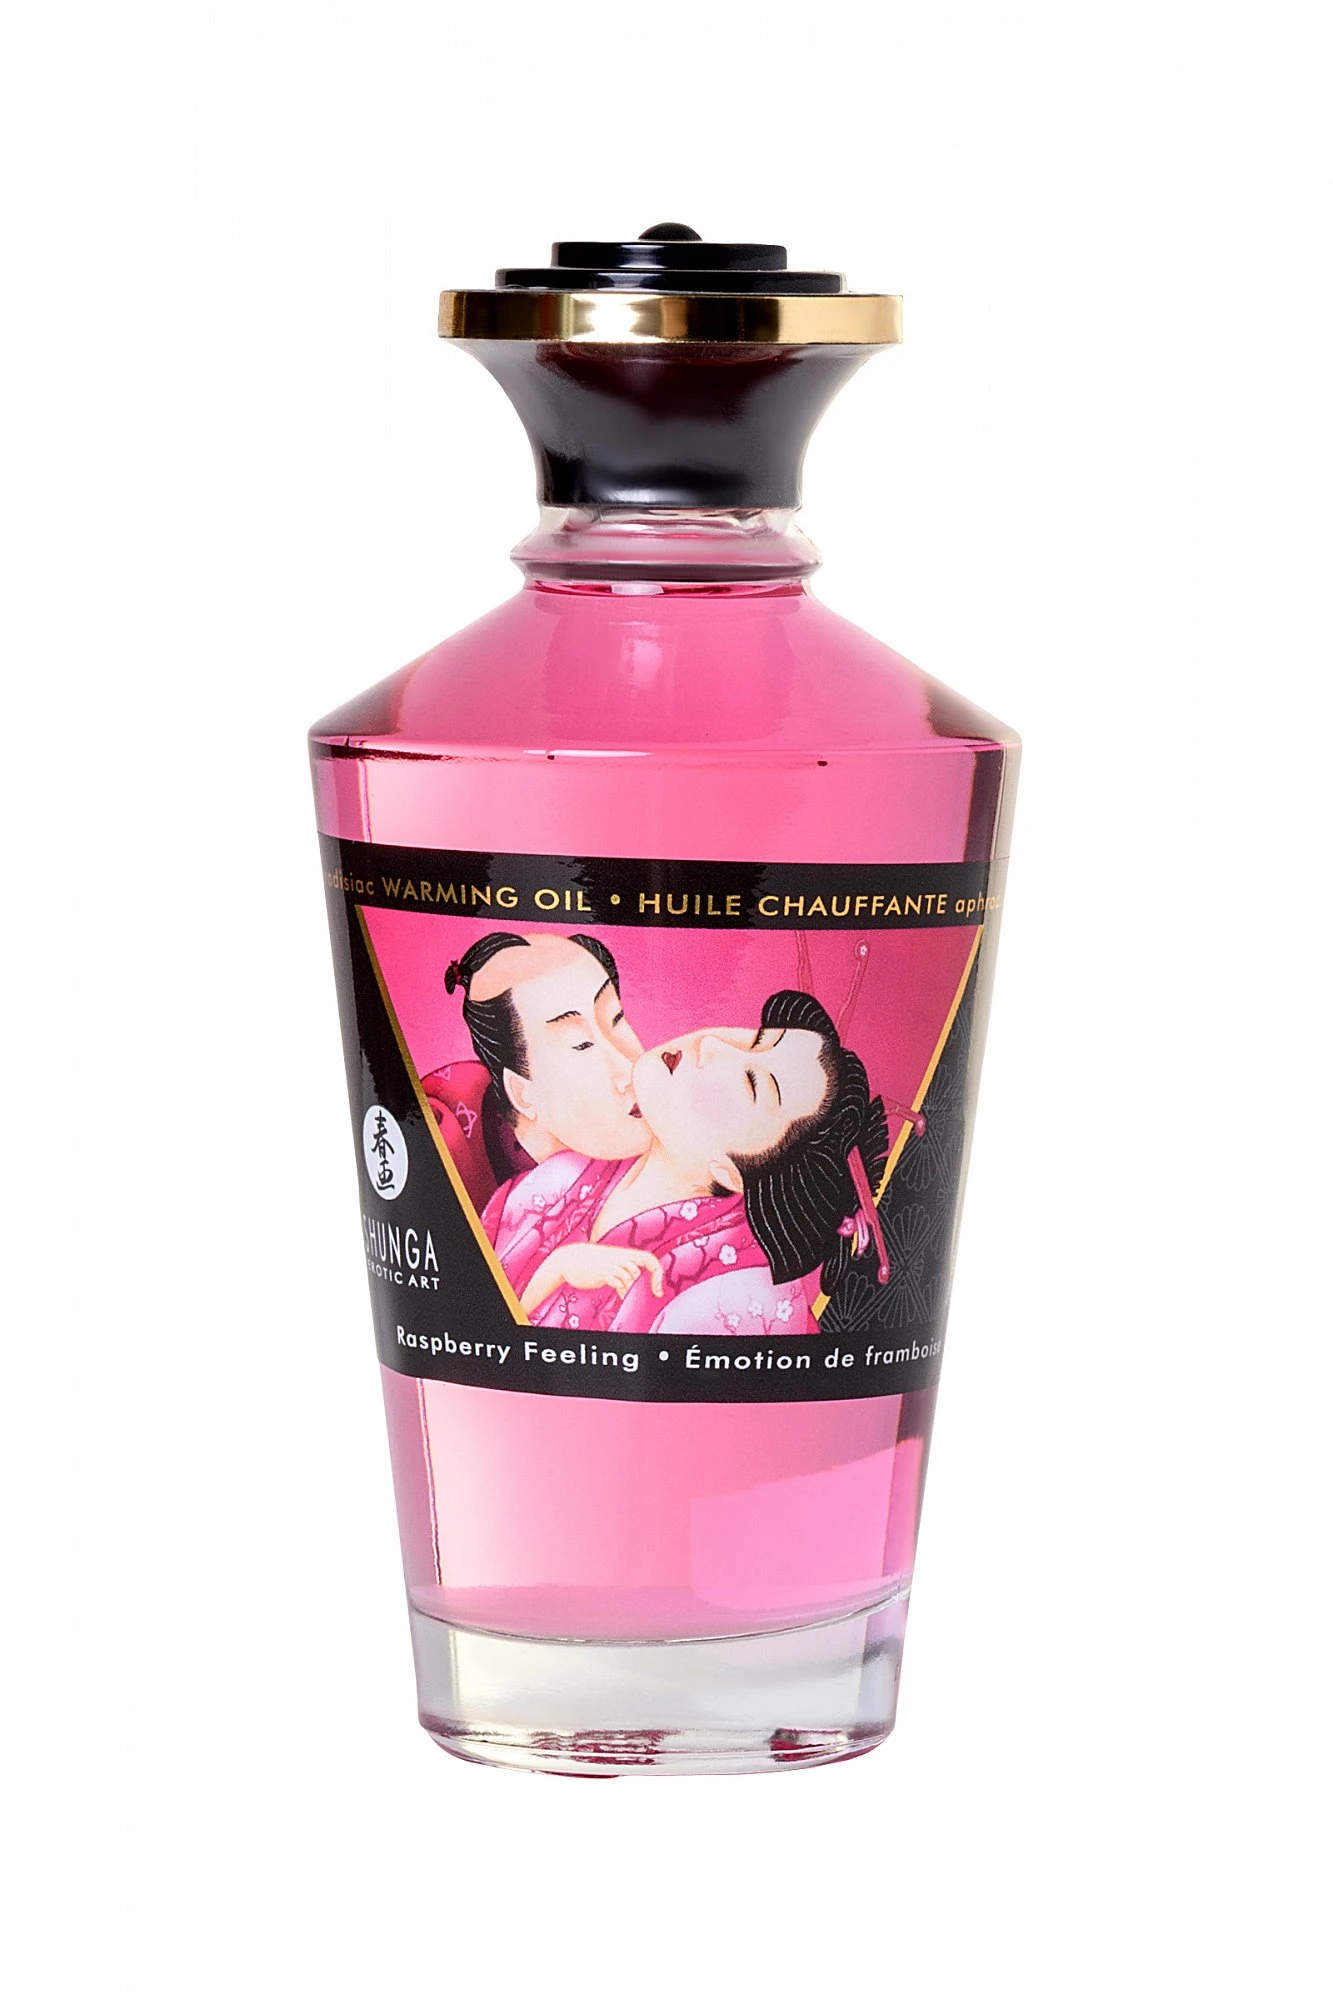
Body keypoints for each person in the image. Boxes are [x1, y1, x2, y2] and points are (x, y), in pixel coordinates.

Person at [483, 989, 897, 1337]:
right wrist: (558, 1268)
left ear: (734, 1173)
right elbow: (473, 1333)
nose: (713, 1044)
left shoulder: (736, 1297)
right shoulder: (569, 1174)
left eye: (752, 1082)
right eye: (756, 1039)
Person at [423, 931, 648, 1208]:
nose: (629, 1070)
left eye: (616, 1018)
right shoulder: (449, 1156)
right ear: (522, 1093)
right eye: (581, 1044)